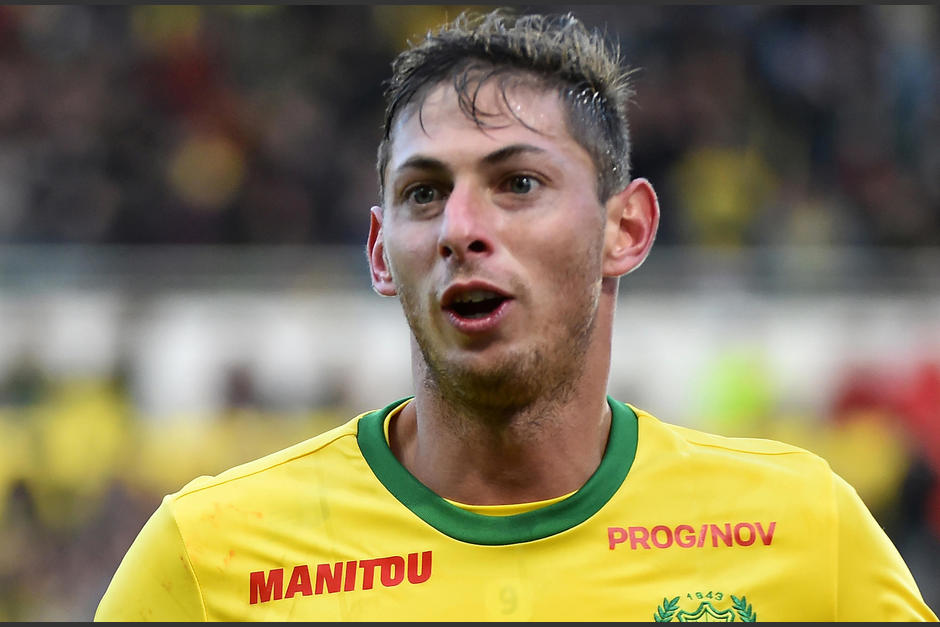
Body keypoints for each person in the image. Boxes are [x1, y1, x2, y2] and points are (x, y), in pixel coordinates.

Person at [94, 8, 937, 621]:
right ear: (383, 254)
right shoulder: (208, 560)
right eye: (425, 194)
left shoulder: (802, 532)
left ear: (626, 228)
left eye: (517, 183)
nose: (462, 229)